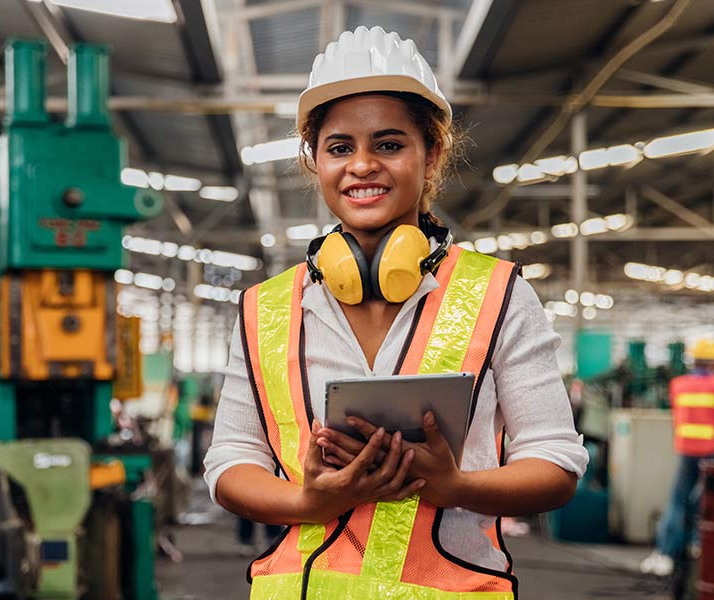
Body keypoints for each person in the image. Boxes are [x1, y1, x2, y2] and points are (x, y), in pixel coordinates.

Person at [204, 26, 588, 598]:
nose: (362, 165)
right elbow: (231, 462)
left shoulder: (498, 293)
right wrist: (308, 501)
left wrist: (454, 486)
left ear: (431, 156)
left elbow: (555, 464)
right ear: (315, 161)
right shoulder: (266, 308)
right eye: (340, 148)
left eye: (388, 144)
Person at [641, 339, 714, 577]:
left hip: (686, 451)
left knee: (677, 502)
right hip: (711, 454)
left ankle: (666, 554)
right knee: (705, 506)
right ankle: (698, 549)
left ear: (692, 360)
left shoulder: (678, 384)